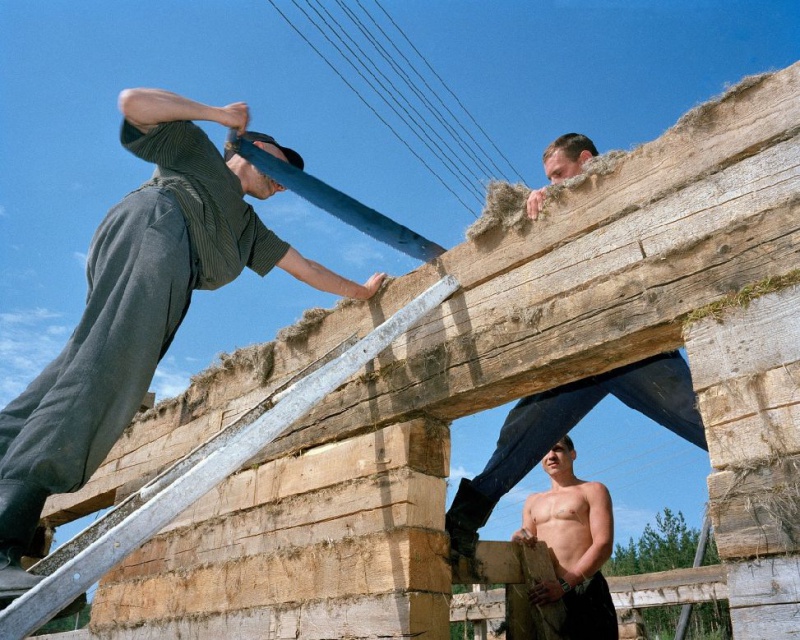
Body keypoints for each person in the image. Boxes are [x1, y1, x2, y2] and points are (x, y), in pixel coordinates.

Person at [0, 88, 386, 599]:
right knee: (112, 368)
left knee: (81, 362)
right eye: (283, 166)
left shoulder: (247, 227)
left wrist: (361, 293)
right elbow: (133, 103)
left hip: (165, 267)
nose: (285, 182)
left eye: (294, 181)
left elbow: (307, 268)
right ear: (251, 149)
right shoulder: (200, 157)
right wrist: (219, 116)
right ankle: (6, 535)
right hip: (156, 228)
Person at [446, 133, 707, 560]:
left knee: (701, 414)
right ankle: (460, 523)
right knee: (520, 433)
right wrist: (535, 213)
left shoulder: (623, 180)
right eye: (548, 179)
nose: (551, 184)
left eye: (559, 174)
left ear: (586, 161)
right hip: (579, 355)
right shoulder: (552, 212)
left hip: (634, 344)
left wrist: (567, 196)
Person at [512, 435, 618, 640]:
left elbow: (603, 544)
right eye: (545, 450)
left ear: (573, 454)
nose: (551, 455)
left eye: (558, 449)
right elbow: (526, 536)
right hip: (545, 594)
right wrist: (518, 537)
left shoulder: (593, 490)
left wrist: (565, 584)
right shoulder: (532, 501)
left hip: (583, 589)